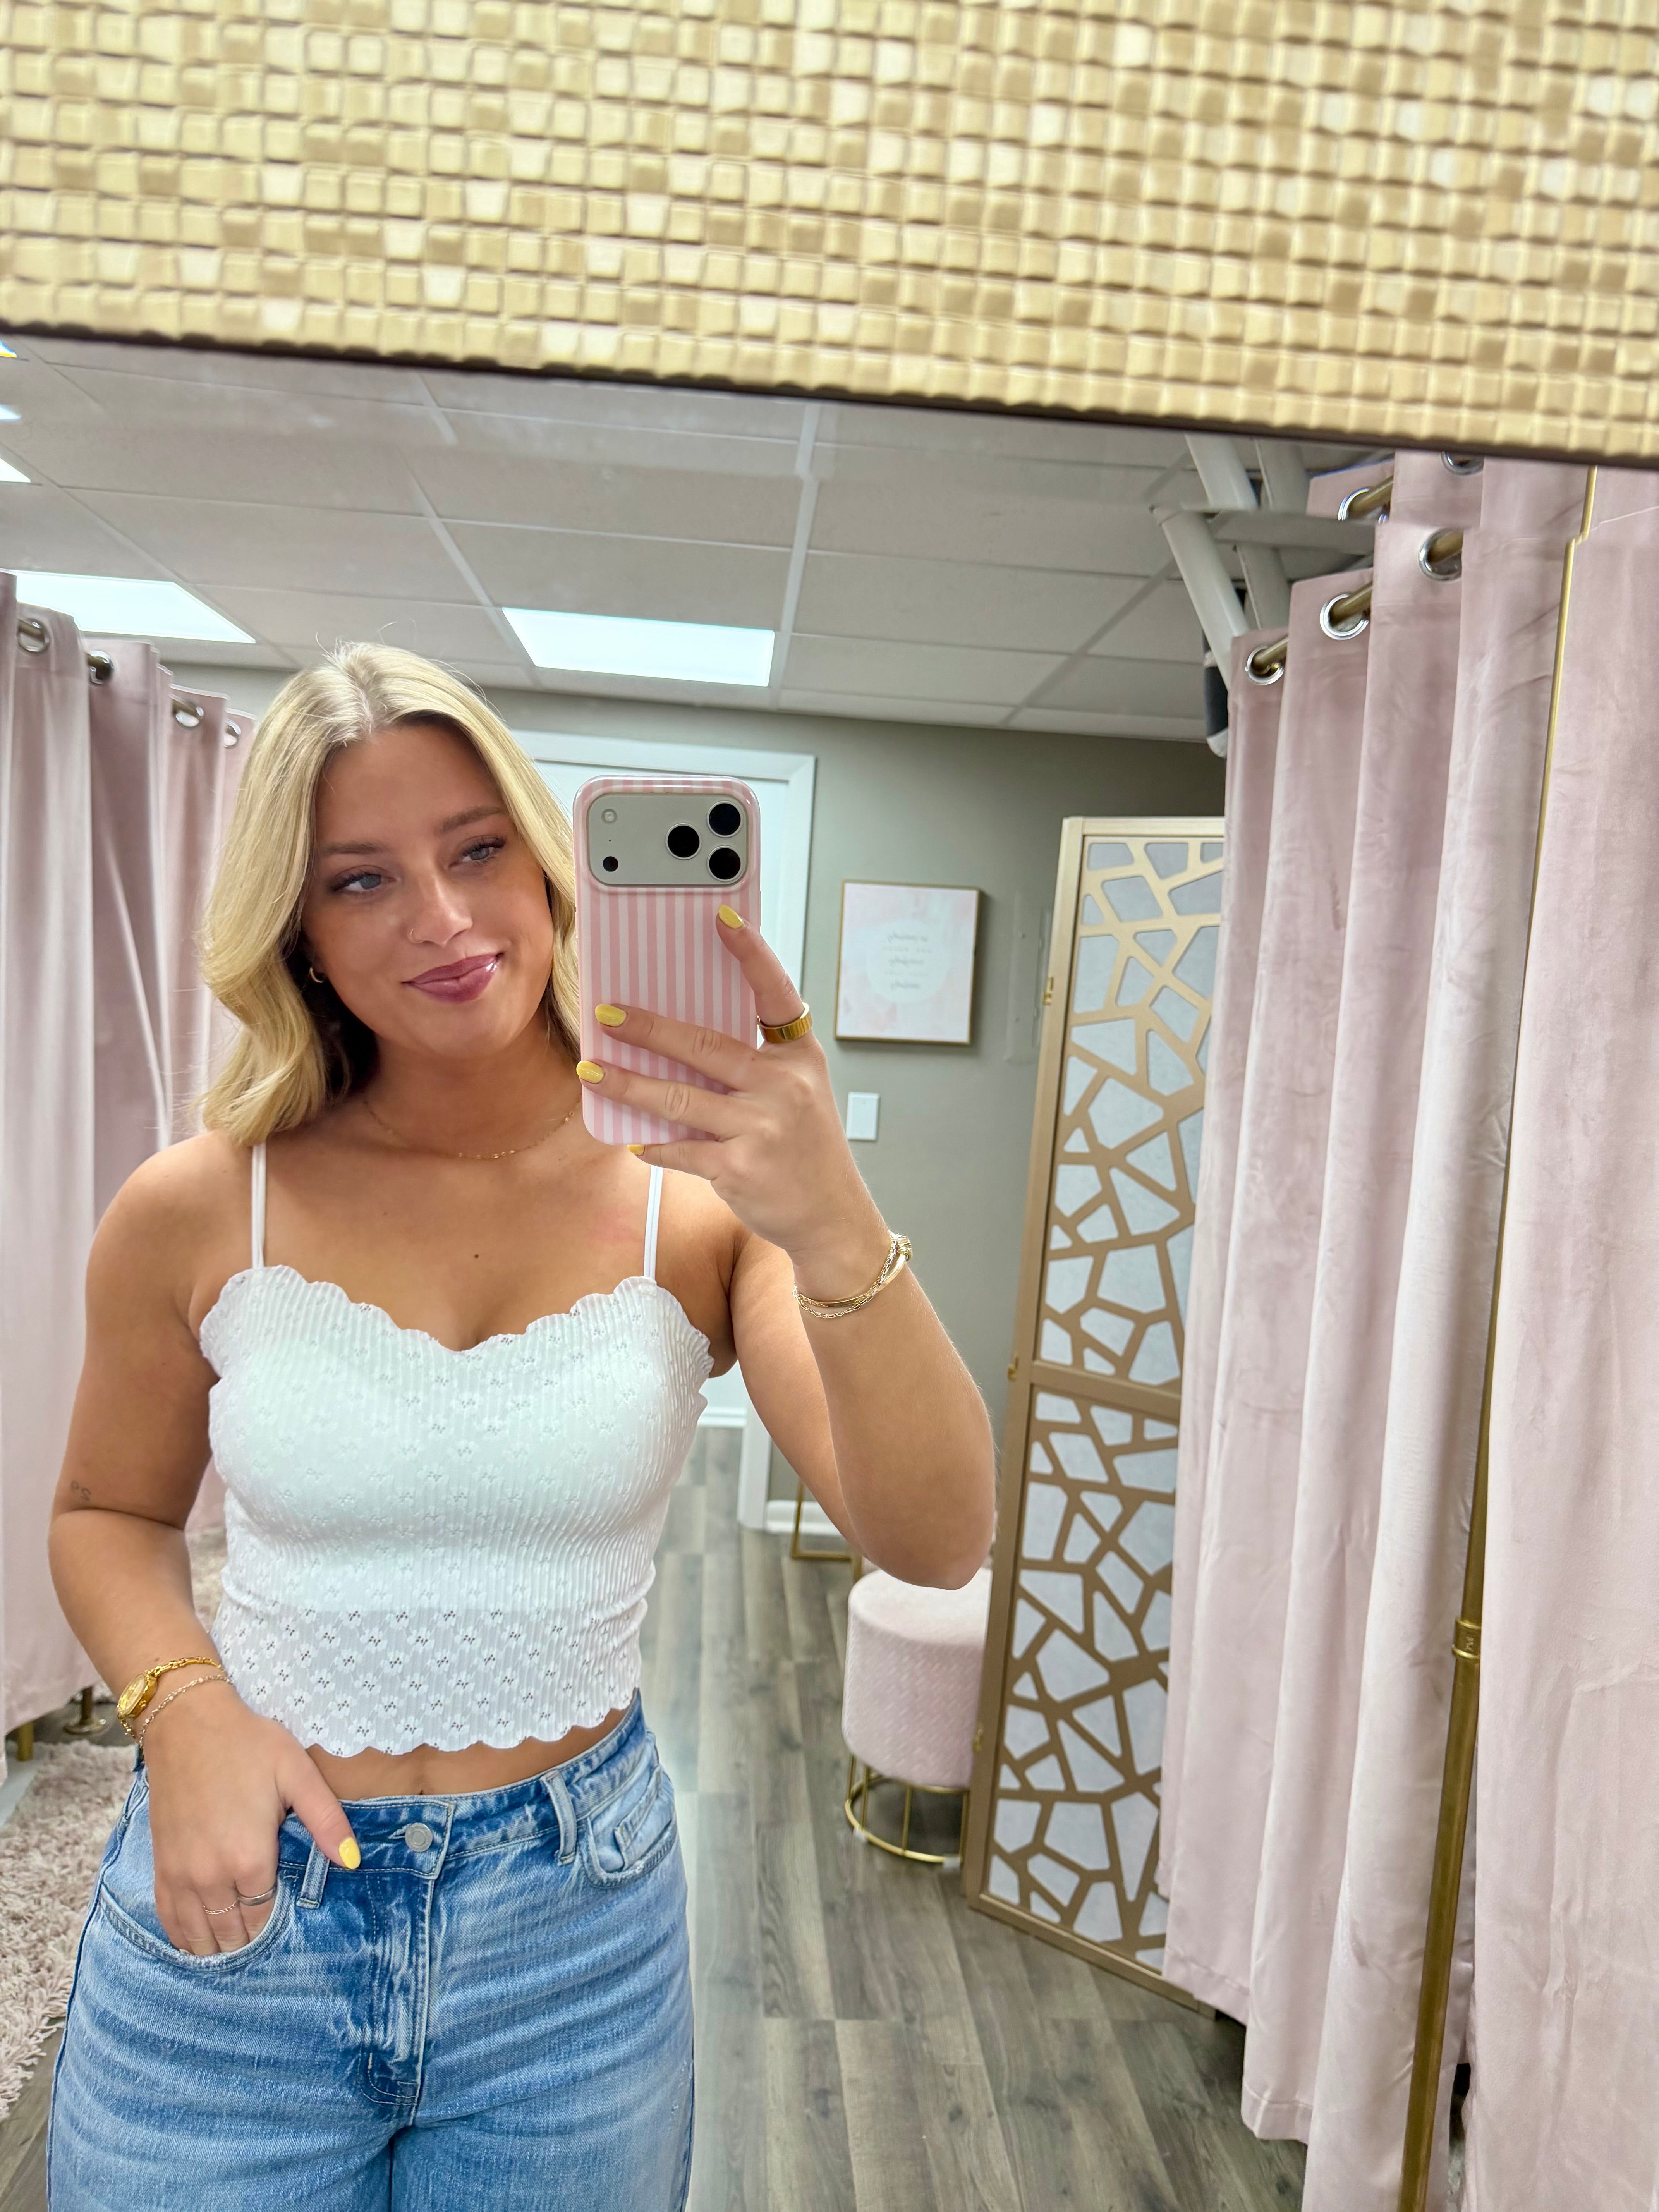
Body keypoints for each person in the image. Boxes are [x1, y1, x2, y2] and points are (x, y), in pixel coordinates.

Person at [43, 644, 995, 2208]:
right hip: (241, 1903)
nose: (441, 917)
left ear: (554, 870)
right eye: (360, 880)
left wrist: (834, 1222)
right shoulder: (202, 1204)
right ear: (298, 931)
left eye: (477, 848)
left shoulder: (704, 1205)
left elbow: (937, 1539)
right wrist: (182, 1707)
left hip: (572, 1935)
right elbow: (108, 1514)